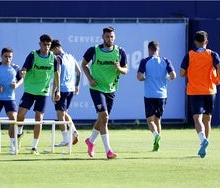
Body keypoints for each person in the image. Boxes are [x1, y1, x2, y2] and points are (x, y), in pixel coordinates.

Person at [81, 26, 128, 159]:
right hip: (96, 88)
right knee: (105, 117)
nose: (110, 39)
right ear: (103, 37)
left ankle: (90, 141)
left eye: (112, 36)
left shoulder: (120, 51)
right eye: (107, 36)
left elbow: (126, 71)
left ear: (115, 37)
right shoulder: (94, 50)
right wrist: (90, 79)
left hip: (111, 89)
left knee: (102, 119)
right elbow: (83, 64)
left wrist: (119, 68)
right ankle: (108, 151)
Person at [180, 30, 220, 158]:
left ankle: (203, 140)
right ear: (206, 42)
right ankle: (205, 145)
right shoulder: (212, 54)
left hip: (194, 91)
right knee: (207, 119)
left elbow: (182, 73)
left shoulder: (190, 55)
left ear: (195, 42)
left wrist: (191, 73)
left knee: (197, 119)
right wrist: (217, 79)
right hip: (210, 91)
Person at [17, 34, 59, 155]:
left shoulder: (53, 58)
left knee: (39, 118)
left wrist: (58, 91)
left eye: (49, 45)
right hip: (29, 90)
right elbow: (24, 68)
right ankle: (19, 132)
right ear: (40, 44)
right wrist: (23, 72)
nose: (46, 47)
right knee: (20, 115)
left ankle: (34, 146)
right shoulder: (33, 55)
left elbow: (57, 74)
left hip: (43, 92)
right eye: (44, 44)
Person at [137, 41, 176, 152]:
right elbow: (173, 75)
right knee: (158, 120)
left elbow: (139, 76)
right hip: (162, 95)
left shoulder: (145, 61)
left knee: (150, 120)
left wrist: (145, 78)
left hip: (149, 95)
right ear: (158, 50)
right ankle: (157, 145)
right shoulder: (165, 60)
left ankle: (155, 136)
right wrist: (166, 78)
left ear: (149, 50)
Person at [0, 47, 23, 154]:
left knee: (13, 119)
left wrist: (16, 85)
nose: (8, 59)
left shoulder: (15, 68)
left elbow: (21, 79)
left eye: (10, 57)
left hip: (10, 98)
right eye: (6, 56)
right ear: (1, 56)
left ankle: (12, 145)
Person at [50, 39, 81, 147]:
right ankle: (74, 130)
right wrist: (77, 85)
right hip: (70, 89)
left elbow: (57, 75)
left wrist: (54, 90)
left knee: (60, 115)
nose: (52, 53)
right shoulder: (71, 56)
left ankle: (65, 139)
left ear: (56, 48)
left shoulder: (57, 58)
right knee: (64, 113)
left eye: (52, 50)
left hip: (62, 90)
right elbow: (79, 72)